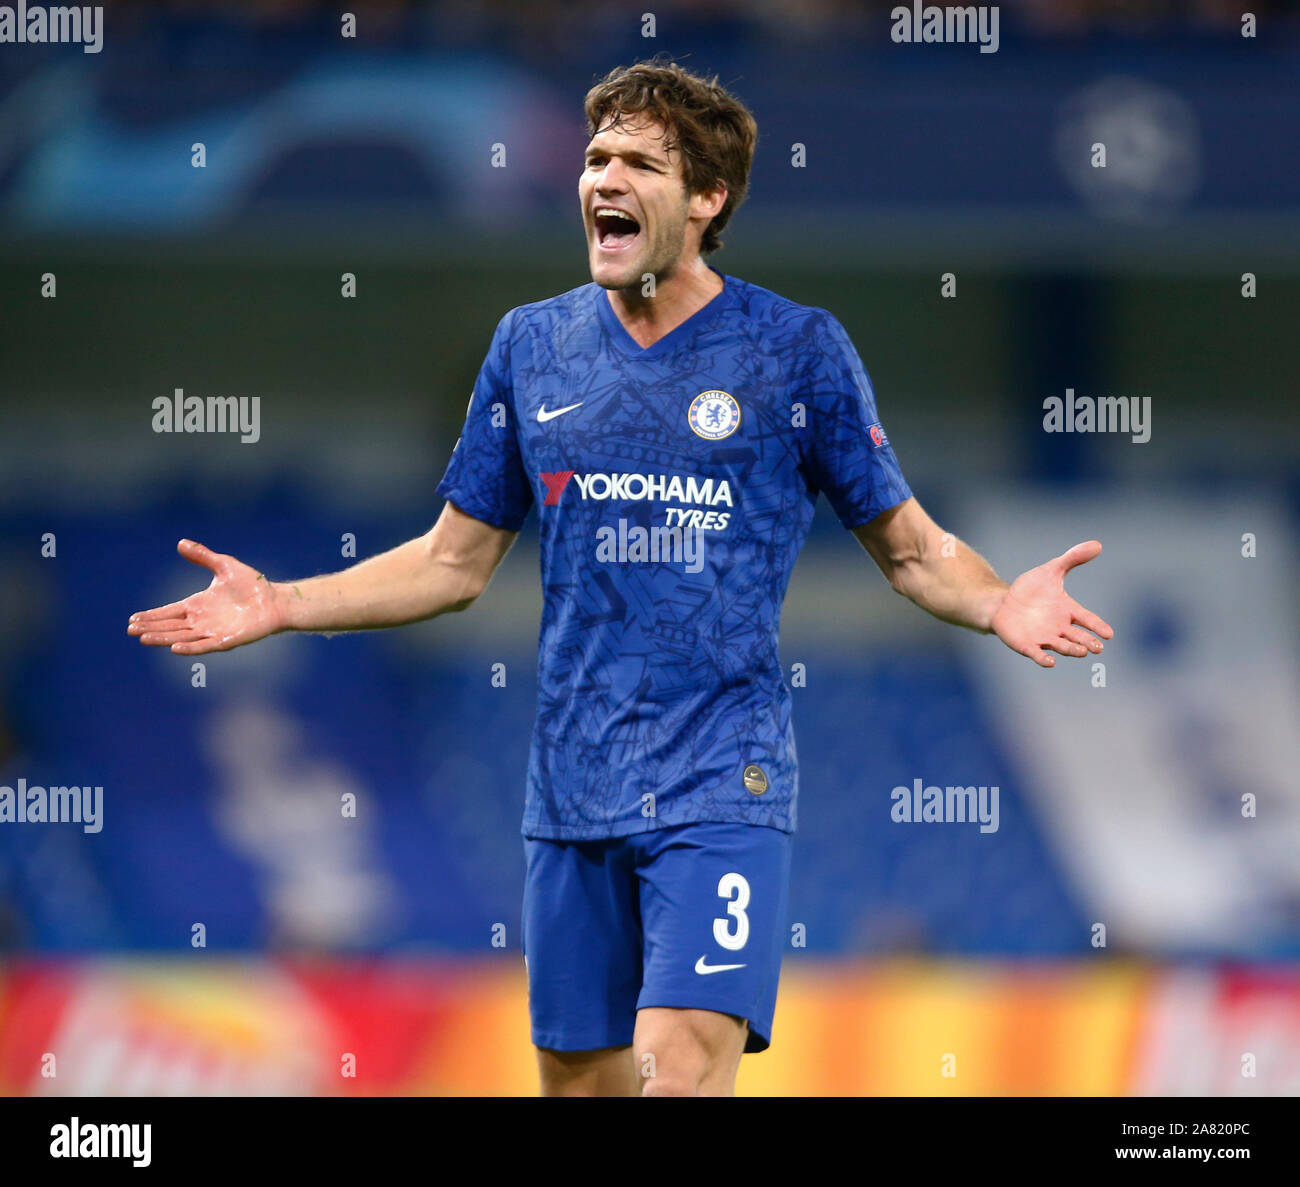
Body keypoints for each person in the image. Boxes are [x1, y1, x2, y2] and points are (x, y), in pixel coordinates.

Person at [128, 60, 1113, 1097]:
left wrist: (999, 596)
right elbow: (452, 563)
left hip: (722, 780)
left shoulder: (796, 351)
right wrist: (284, 603)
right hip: (572, 784)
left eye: (639, 161)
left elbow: (911, 550)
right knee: (583, 1082)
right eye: (596, 157)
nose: (603, 177)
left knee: (680, 1064)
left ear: (706, 198)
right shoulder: (531, 346)